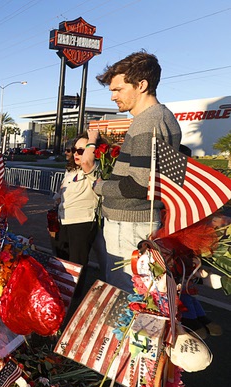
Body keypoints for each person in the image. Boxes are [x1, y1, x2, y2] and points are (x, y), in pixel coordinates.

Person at [94, 51, 182, 292]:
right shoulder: (161, 117)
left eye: (118, 89)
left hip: (129, 225)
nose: (113, 97)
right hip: (137, 222)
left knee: (127, 295)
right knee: (147, 293)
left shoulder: (147, 122)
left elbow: (139, 185)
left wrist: (99, 186)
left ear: (141, 85)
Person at [55, 131, 100, 298]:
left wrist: (93, 139)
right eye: (75, 149)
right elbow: (60, 194)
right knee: (62, 263)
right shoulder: (71, 171)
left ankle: (74, 301)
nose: (76, 154)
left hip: (82, 222)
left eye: (82, 150)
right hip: (64, 220)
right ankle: (63, 298)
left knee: (76, 264)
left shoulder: (93, 170)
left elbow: (88, 161)